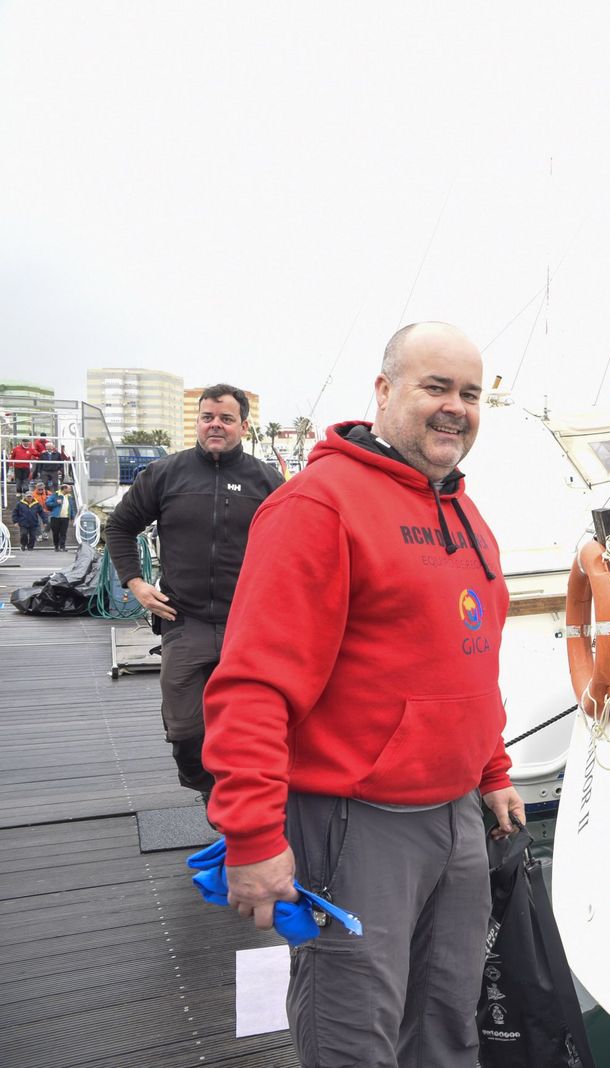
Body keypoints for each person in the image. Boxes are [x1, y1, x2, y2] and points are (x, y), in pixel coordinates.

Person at [203, 322, 524, 1068]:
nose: (455, 409)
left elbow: (465, 661)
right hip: (355, 825)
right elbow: (253, 687)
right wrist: (253, 837)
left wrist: (493, 771)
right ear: (383, 393)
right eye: (435, 388)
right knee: (354, 1032)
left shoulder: (466, 513)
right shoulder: (318, 506)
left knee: (447, 1021)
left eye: (470, 394)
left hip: (456, 821)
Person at [105, 385, 283, 800]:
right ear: (198, 422)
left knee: (254, 727)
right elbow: (119, 527)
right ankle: (209, 794)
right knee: (185, 730)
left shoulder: (266, 480)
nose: (215, 425)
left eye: (225, 418)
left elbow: (297, 543)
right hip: (184, 620)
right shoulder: (166, 474)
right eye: (207, 417)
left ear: (243, 424)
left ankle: (237, 812)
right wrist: (136, 583)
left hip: (248, 625)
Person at [44, 485, 68, 551]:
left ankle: (62, 547)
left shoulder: (69, 496)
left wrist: (72, 515)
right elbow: (47, 502)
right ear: (64, 489)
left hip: (65, 517)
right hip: (55, 517)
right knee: (56, 533)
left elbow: (70, 506)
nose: (70, 490)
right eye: (69, 489)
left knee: (63, 533)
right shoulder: (55, 495)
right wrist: (56, 503)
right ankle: (56, 546)